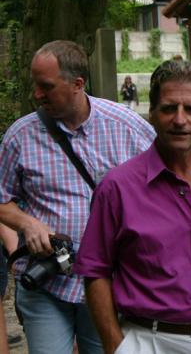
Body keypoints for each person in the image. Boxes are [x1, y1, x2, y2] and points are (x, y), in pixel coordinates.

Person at [75, 60, 191, 354]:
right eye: (169, 108)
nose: (180, 119)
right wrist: (114, 345)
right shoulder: (118, 188)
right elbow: (95, 272)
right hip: (150, 341)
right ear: (152, 114)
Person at [0, 40, 155, 354]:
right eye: (35, 84)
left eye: (46, 86)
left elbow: (165, 187)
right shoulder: (20, 136)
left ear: (77, 84)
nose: (36, 94)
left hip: (109, 283)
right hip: (46, 283)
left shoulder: (128, 128)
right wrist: (27, 223)